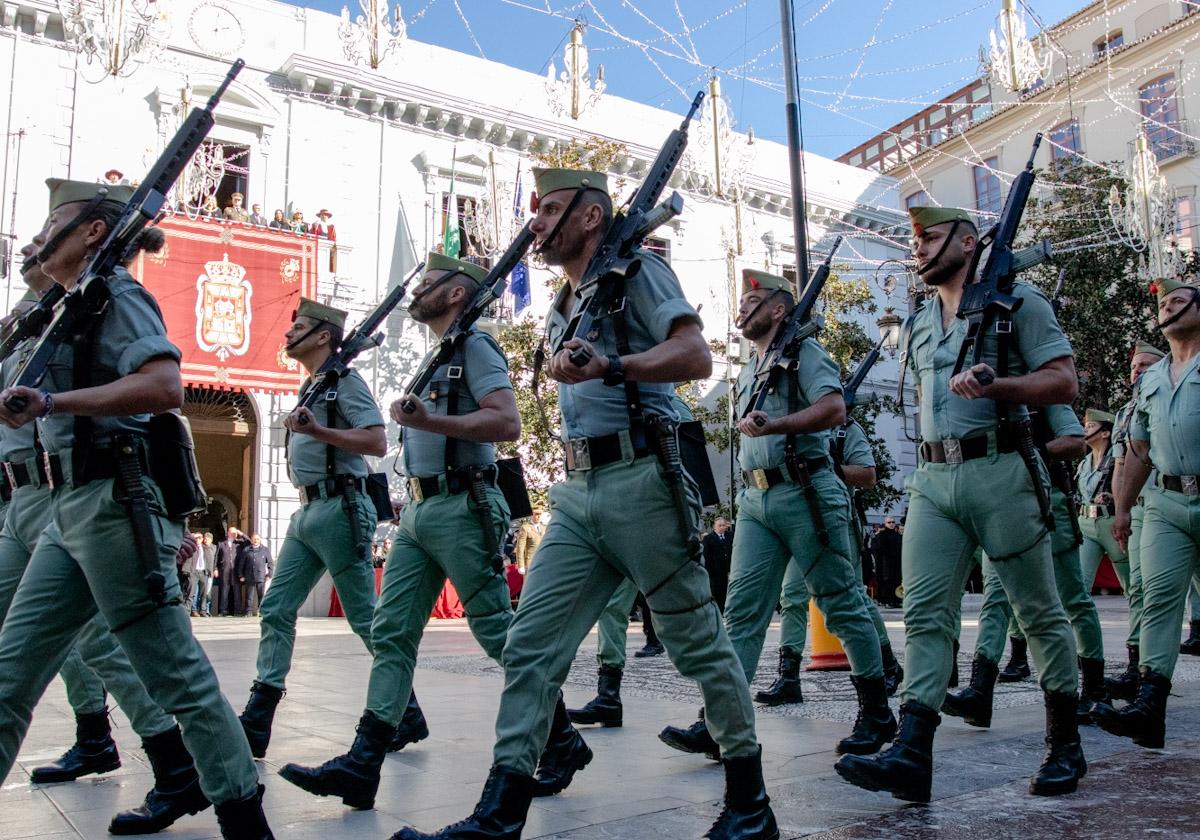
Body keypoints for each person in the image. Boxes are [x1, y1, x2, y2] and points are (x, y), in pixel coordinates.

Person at [398, 168, 776, 840]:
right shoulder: (565, 302)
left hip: (642, 481)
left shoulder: (637, 274)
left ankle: (750, 802)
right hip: (575, 493)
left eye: (548, 210)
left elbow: (695, 357)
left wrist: (613, 367)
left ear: (591, 215)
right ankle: (500, 812)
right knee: (529, 647)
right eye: (535, 210)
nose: (534, 222)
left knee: (695, 642)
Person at [0, 178, 272, 837]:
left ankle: (243, 818)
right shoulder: (62, 310)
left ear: (93, 231)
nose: (41, 236)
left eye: (54, 221)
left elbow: (163, 385)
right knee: (10, 674)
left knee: (175, 674)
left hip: (116, 505)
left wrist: (55, 403)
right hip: (67, 510)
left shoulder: (116, 297)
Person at [835, 205, 1084, 802]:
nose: (918, 249)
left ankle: (1064, 743)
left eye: (930, 239)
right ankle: (913, 751)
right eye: (914, 242)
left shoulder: (1018, 303)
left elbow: (1064, 381)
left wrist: (1001, 386)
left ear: (969, 243)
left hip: (1001, 466)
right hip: (933, 479)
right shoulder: (920, 321)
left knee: (1037, 609)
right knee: (923, 613)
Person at [279, 252, 532, 811]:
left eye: (430, 284)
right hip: (418, 509)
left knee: (494, 632)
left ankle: (557, 739)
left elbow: (507, 423)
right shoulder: (440, 355)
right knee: (392, 633)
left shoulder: (476, 348)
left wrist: (430, 421)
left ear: (457, 294)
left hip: (465, 503)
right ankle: (363, 764)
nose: (418, 292)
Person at [661, 267, 893, 761]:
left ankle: (876, 711)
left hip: (806, 492)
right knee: (741, 612)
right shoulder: (751, 366)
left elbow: (833, 409)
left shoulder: (805, 355)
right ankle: (719, 720)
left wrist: (778, 424)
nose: (742, 309)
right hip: (756, 500)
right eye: (742, 303)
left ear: (779, 309)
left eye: (753, 302)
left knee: (841, 602)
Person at [237, 298, 425, 760]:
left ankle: (404, 711)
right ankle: (259, 717)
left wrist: (320, 433)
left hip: (341, 507)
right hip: (308, 512)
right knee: (276, 608)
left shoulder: (344, 385)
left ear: (323, 336)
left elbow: (376, 439)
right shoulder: (314, 387)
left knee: (365, 618)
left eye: (297, 327)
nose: (287, 334)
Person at [944, 404, 1107, 728]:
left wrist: (1022, 456)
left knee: (1073, 599)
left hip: (1048, 502)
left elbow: (1073, 441)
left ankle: (1094, 689)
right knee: (995, 600)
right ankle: (980, 690)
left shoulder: (1040, 388)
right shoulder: (983, 398)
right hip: (999, 508)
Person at [1095, 273, 1200, 748]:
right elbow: (1136, 448)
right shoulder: (1153, 379)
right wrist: (1122, 509)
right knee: (1157, 597)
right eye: (1163, 303)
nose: (1167, 308)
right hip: (1164, 501)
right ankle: (1149, 705)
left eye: (1179, 300)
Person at [756, 414, 904, 706]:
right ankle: (788, 677)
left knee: (854, 598)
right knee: (792, 597)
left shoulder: (845, 430)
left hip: (835, 521)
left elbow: (868, 475)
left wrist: (823, 468)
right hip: (796, 520)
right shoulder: (792, 427)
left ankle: (887, 664)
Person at [1104, 342, 1165, 699]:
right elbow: (1122, 465)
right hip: (1143, 507)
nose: (1137, 371)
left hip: (1173, 497)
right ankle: (1139, 669)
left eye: (1145, 364)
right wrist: (1121, 509)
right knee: (1143, 588)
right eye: (1134, 366)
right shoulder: (1127, 412)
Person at [236, 534, 273, 617]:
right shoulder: (246, 550)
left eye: (257, 539)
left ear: (260, 540)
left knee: (261, 595)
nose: (256, 540)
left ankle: (262, 611)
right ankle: (248, 611)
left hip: (261, 576)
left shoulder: (265, 550)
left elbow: (270, 563)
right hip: (249, 576)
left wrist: (269, 574)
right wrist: (241, 575)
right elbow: (241, 563)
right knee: (249, 596)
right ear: (251, 540)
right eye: (254, 539)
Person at [702, 517, 733, 611]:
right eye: (720, 525)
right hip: (714, 570)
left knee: (724, 590)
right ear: (714, 527)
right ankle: (717, 609)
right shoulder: (708, 538)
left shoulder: (730, 536)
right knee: (716, 590)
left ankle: (723, 609)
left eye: (724, 525)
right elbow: (706, 555)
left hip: (727, 568)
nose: (722, 527)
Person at [871, 517, 902, 607]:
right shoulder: (881, 535)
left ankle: (896, 600)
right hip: (886, 563)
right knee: (887, 581)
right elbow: (880, 549)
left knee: (897, 581)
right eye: (889, 522)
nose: (891, 524)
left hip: (896, 562)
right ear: (885, 523)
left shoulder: (898, 536)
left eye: (893, 522)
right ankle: (887, 601)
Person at [188, 531, 211, 617]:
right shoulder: (191, 547)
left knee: (203, 593)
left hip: (203, 572)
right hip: (194, 572)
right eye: (196, 538)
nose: (198, 539)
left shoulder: (205, 548)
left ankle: (203, 610)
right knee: (192, 592)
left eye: (200, 538)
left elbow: (210, 559)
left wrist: (210, 571)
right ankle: (190, 610)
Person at [199, 532, 217, 615]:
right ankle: (200, 609)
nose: (206, 540)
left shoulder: (214, 547)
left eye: (208, 539)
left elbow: (215, 560)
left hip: (210, 573)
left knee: (208, 593)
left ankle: (207, 609)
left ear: (211, 540)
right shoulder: (200, 547)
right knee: (200, 592)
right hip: (202, 572)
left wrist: (215, 569)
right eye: (205, 539)